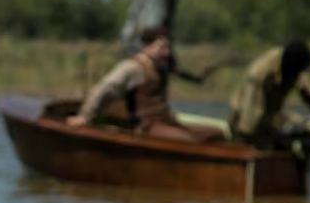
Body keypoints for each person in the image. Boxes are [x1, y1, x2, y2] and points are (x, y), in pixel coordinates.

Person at [71, 26, 221, 142]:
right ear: (146, 45)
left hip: (166, 120)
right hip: (146, 126)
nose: (166, 52)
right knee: (188, 141)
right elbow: (104, 88)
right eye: (162, 47)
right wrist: (84, 116)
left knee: (215, 133)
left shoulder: (159, 65)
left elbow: (180, 72)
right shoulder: (132, 67)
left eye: (168, 47)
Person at [227, 40, 310, 150]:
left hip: (269, 116)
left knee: (304, 127)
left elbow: (307, 91)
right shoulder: (260, 73)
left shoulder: (294, 65)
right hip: (245, 120)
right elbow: (249, 119)